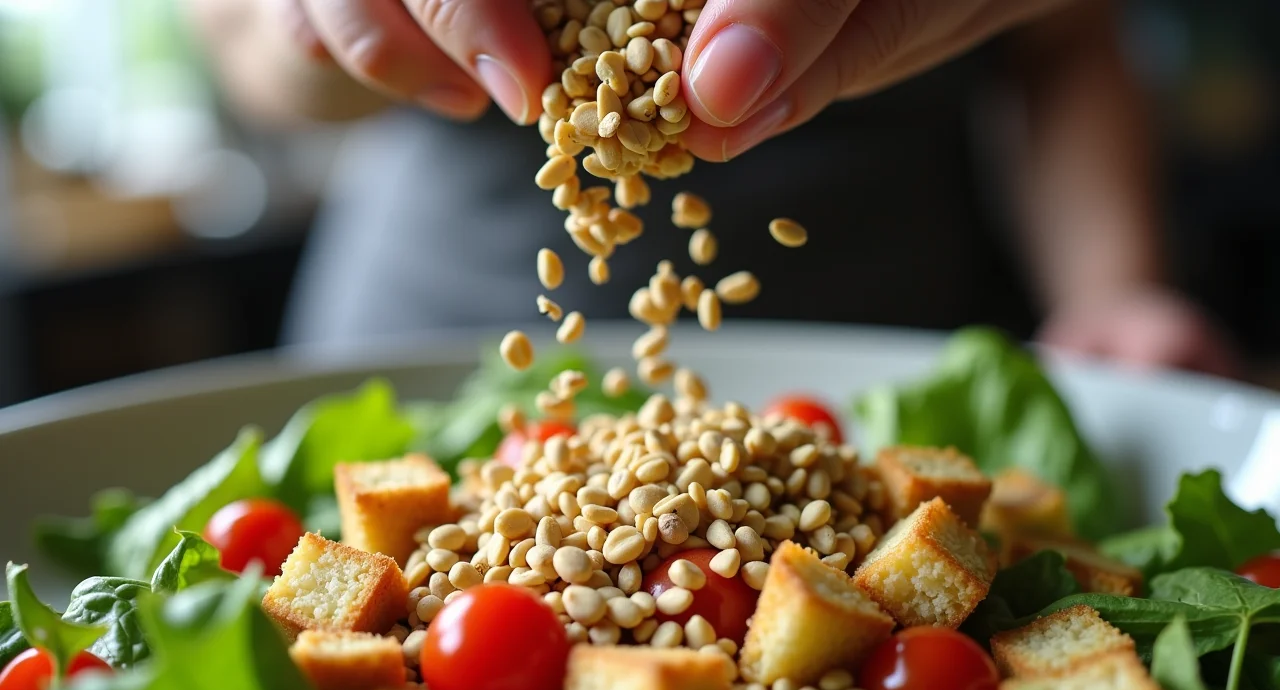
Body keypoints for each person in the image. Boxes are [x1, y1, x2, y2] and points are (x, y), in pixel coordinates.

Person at [186, 0, 1238, 376]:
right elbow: (232, 36)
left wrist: (1108, 286)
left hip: (900, 361)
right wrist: (321, 32)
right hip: (429, 343)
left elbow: (1065, 40)